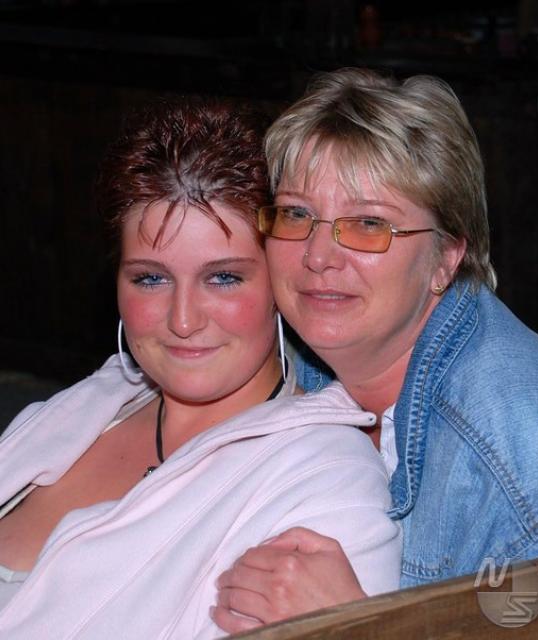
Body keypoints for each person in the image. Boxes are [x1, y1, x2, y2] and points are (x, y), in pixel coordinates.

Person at [212, 67, 538, 633]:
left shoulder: (529, 469)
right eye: (296, 214)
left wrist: (363, 626)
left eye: (369, 224)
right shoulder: (302, 356)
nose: (317, 256)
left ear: (446, 257)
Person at [0, 97, 401, 639]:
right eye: (151, 278)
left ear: (280, 282)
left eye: (224, 278)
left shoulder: (326, 478)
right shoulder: (83, 408)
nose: (183, 320)